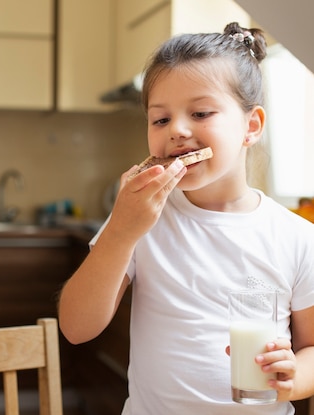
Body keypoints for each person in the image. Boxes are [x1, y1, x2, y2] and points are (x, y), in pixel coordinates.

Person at [58, 22, 314, 414]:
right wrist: (122, 232)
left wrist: (293, 376)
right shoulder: (142, 219)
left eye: (200, 113)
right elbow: (76, 328)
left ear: (251, 126)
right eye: (160, 119)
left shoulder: (296, 236)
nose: (177, 130)